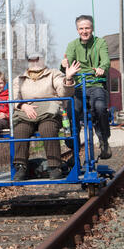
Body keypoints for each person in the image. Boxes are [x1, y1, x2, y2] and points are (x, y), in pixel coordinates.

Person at [12, 52, 80, 181]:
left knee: (47, 129)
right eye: (32, 60)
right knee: (20, 130)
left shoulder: (54, 74)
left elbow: (65, 92)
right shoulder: (19, 79)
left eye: (38, 60)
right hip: (27, 113)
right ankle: (21, 166)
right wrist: (23, 106)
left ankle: (55, 166)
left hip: (50, 113)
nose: (35, 63)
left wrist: (69, 78)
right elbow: (14, 98)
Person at [61, 15, 112, 159]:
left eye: (87, 28)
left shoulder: (100, 43)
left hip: (95, 84)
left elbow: (106, 61)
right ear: (77, 30)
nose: (84, 31)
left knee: (101, 107)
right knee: (72, 111)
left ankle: (104, 140)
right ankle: (74, 146)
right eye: (81, 28)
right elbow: (67, 61)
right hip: (78, 86)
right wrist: (65, 64)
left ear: (92, 28)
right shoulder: (72, 45)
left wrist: (102, 68)